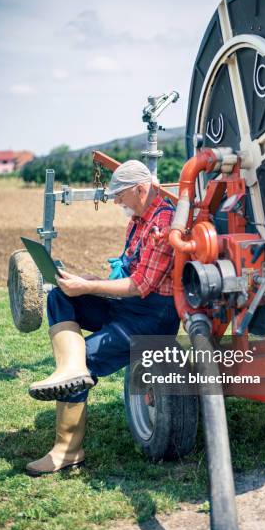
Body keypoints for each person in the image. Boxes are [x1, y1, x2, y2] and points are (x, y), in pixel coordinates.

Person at [26, 159, 180, 476]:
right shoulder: (138, 219)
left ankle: (68, 451)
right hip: (129, 306)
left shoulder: (163, 222)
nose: (117, 202)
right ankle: (70, 365)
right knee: (60, 294)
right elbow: (127, 272)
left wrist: (90, 286)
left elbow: (141, 285)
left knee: (86, 364)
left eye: (120, 196)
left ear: (140, 189)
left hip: (152, 319)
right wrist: (84, 283)